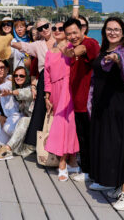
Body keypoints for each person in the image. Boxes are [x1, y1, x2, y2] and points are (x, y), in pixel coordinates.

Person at [88, 18, 124, 211]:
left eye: (117, 29)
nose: (113, 32)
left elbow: (120, 59)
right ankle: (116, 184)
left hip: (122, 108)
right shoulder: (103, 51)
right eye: (109, 29)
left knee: (123, 147)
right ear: (104, 32)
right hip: (105, 107)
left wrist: (115, 58)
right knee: (109, 146)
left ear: (123, 33)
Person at [61, 17, 100, 182]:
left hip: (90, 103)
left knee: (92, 138)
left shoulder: (90, 43)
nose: (72, 36)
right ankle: (88, 171)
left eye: (75, 32)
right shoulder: (72, 46)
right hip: (78, 102)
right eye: (69, 34)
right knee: (83, 138)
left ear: (82, 30)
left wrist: (68, 51)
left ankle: (96, 173)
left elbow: (82, 49)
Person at [13, 18, 56, 149]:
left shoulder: (59, 40)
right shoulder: (38, 44)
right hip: (43, 77)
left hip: (59, 78)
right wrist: (10, 43)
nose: (44, 29)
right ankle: (39, 145)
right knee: (41, 110)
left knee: (57, 110)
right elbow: (24, 46)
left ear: (50, 25)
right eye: (40, 28)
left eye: (46, 26)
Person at [44, 25, 80, 182]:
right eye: (54, 28)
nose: (57, 30)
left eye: (60, 28)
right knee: (64, 125)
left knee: (66, 124)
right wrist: (47, 96)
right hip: (55, 90)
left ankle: (63, 162)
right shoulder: (49, 52)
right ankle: (71, 159)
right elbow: (46, 75)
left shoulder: (71, 47)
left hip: (68, 87)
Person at [0, 59, 23, 160]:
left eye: (2, 67)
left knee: (9, 129)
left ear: (7, 69)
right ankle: (15, 144)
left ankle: (20, 145)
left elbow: (3, 88)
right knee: (1, 141)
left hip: (15, 115)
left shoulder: (11, 80)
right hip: (4, 117)